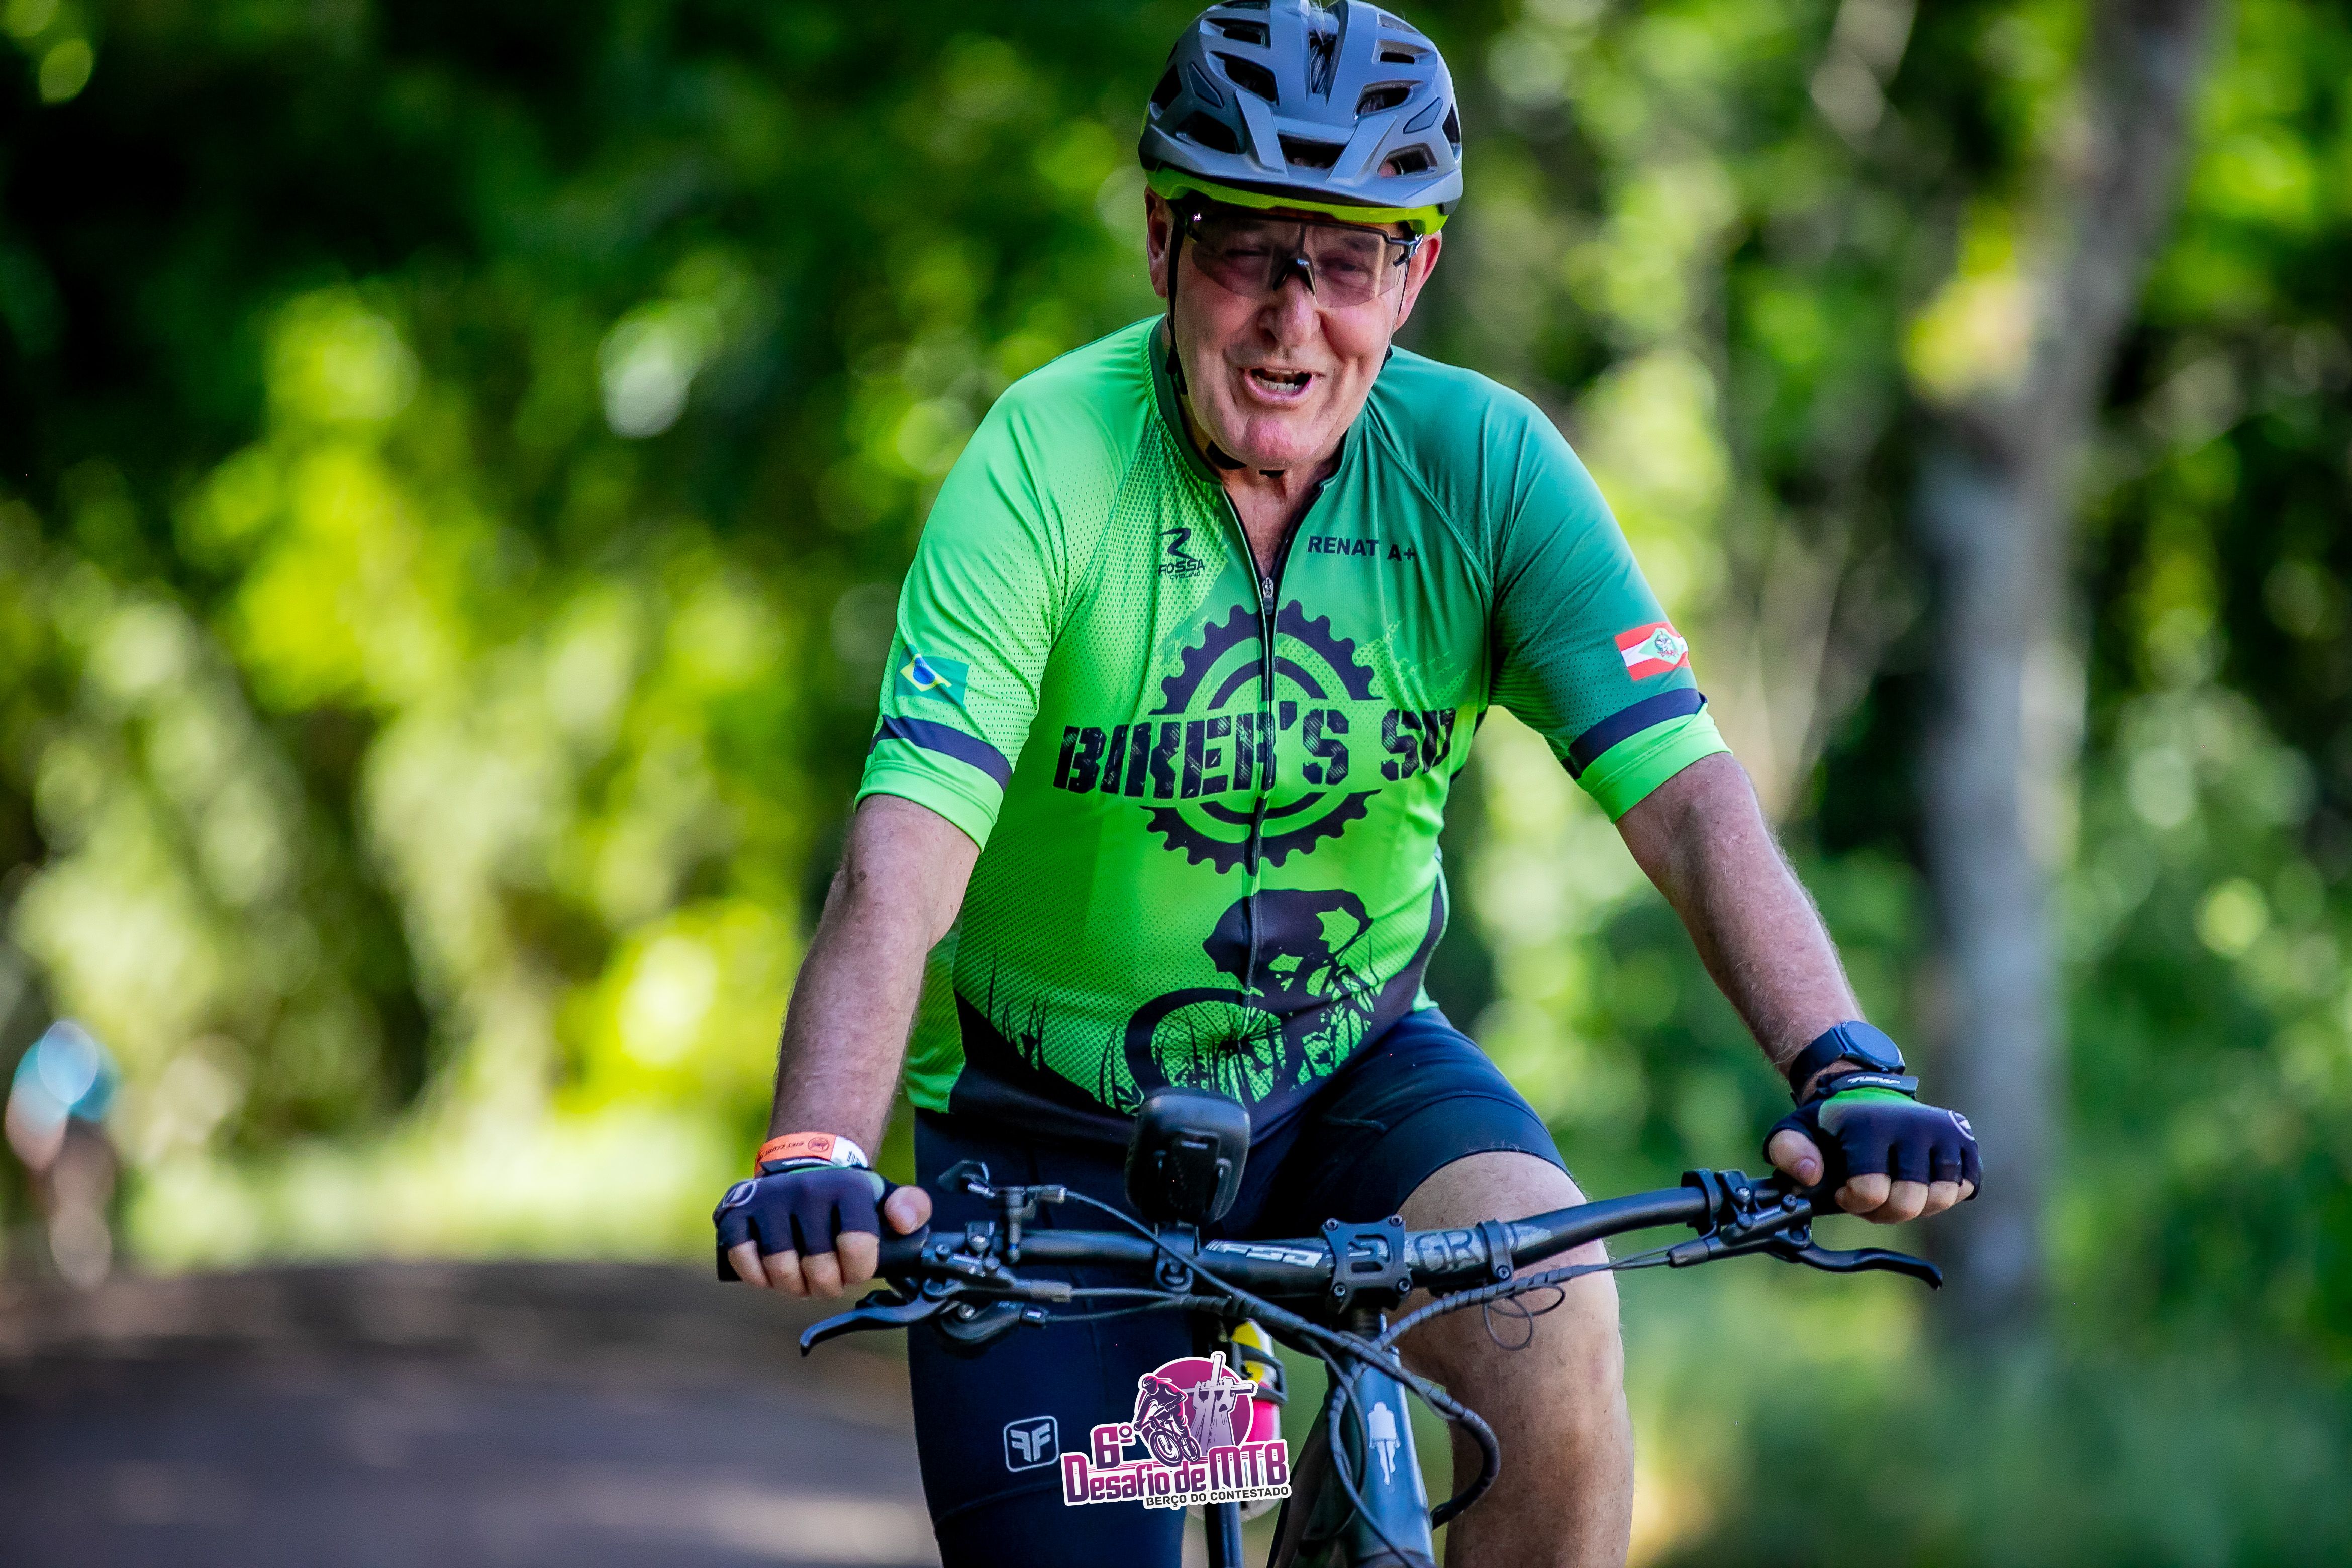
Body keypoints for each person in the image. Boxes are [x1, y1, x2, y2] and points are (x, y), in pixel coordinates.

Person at [716, 4, 1982, 1564]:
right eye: (1248, 252)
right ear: (1164, 243)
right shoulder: (1046, 463)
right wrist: (820, 1150)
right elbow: (904, 854)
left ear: (1416, 274)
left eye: (1348, 262)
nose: (1291, 321)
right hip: (1046, 1125)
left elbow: (1688, 803)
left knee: (1553, 1312)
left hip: (1354, 1077)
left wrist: (1845, 1063)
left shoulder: (1485, 467)